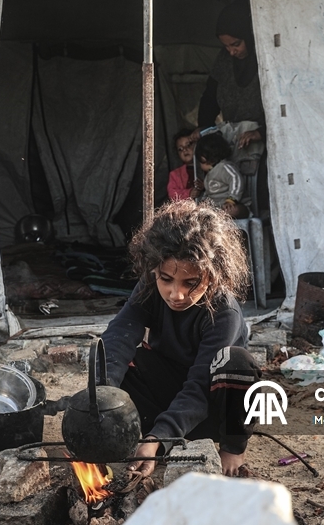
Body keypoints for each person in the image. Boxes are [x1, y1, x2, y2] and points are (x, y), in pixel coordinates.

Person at [99, 199, 259, 477]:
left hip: (211, 407)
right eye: (166, 280)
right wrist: (102, 396)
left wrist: (158, 439)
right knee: (113, 357)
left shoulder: (224, 312)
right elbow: (120, 335)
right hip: (171, 397)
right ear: (154, 270)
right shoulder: (149, 286)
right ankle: (153, 432)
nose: (176, 295)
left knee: (237, 362)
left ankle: (233, 446)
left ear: (213, 274)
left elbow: (199, 385)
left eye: (190, 283)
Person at [196, 0, 266, 154]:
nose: (232, 52)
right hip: (235, 140)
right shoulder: (224, 60)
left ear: (250, 36)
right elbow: (210, 98)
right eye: (226, 46)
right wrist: (204, 128)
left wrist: (261, 133)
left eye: (236, 45)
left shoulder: (268, 59)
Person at [191, 132, 251, 219]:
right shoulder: (208, 176)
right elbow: (209, 194)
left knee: (234, 210)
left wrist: (231, 200)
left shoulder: (224, 167)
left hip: (236, 204)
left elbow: (236, 179)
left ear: (204, 158)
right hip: (219, 209)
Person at [166, 129, 197, 201]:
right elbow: (172, 194)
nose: (185, 150)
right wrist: (189, 193)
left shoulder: (205, 167)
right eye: (180, 149)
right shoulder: (175, 174)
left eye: (188, 145)